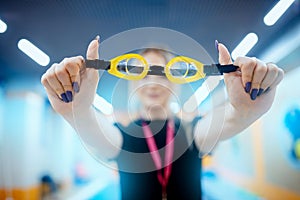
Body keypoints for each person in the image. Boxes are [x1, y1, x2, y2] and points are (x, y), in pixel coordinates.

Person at [41, 36, 284, 200]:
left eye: (162, 74)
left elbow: (229, 121)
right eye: (144, 74)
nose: (153, 82)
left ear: (176, 83)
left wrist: (245, 112)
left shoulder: (193, 133)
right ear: (134, 82)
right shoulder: (122, 135)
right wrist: (78, 111)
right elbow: (93, 128)